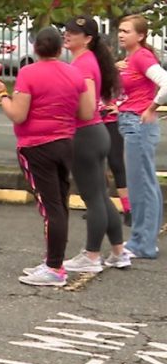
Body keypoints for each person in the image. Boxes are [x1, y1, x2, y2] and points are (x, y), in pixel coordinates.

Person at [0, 27, 93, 287]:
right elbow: (86, 111)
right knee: (59, 202)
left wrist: (1, 94)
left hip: (37, 146)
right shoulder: (74, 73)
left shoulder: (28, 73)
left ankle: (54, 268)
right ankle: (53, 260)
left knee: (51, 208)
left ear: (35, 48)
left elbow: (18, 114)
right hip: (65, 142)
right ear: (60, 48)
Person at [61, 16, 130, 272]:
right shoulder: (85, 61)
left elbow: (87, 108)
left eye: (74, 32)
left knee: (93, 198)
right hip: (95, 133)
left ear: (88, 38)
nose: (67, 35)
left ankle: (90, 256)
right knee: (100, 195)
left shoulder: (83, 65)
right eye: (66, 31)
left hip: (86, 135)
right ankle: (118, 251)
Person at [116, 15, 167, 260]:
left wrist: (151, 107)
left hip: (138, 124)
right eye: (120, 30)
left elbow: (165, 82)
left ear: (141, 35)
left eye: (127, 31)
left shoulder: (141, 56)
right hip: (133, 122)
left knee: (141, 186)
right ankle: (143, 240)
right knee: (145, 183)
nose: (121, 34)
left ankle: (143, 244)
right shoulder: (131, 58)